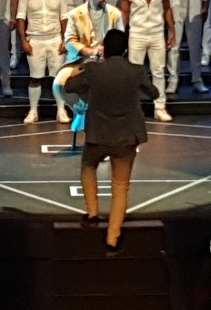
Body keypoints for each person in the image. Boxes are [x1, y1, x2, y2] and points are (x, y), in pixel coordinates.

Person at [65, 29, 159, 255]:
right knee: (120, 187)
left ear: (104, 49)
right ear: (126, 49)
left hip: (98, 134)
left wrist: (80, 67)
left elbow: (68, 86)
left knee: (88, 166)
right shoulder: (136, 71)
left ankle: (93, 214)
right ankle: (112, 238)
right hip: (126, 137)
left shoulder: (94, 70)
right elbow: (154, 93)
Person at [52, 0, 124, 120]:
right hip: (80, 59)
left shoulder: (115, 14)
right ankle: (81, 110)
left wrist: (107, 51)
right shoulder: (74, 14)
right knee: (58, 84)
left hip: (106, 60)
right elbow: (69, 41)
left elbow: (121, 40)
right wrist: (88, 51)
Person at [120, 0, 177, 122]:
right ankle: (132, 109)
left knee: (158, 72)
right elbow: (124, 12)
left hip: (157, 33)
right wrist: (122, 34)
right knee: (133, 74)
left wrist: (172, 31)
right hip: (136, 34)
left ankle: (160, 108)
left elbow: (167, 9)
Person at [16, 0, 68, 123]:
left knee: (58, 78)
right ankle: (33, 112)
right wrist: (23, 41)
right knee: (35, 78)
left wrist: (65, 40)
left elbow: (64, 18)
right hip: (35, 40)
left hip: (55, 39)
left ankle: (61, 111)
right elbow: (20, 18)